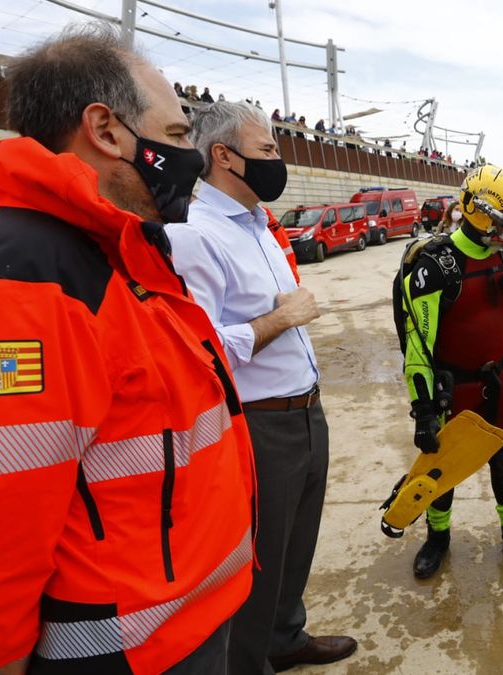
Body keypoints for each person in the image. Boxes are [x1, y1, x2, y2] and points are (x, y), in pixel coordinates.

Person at [0, 24, 256, 674]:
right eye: (177, 136)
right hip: (126, 652)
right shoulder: (25, 276)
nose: (194, 157)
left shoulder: (121, 248)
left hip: (185, 623)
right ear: (107, 130)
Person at [165, 101, 356, 673]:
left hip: (305, 412)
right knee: (258, 559)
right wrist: (280, 319)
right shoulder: (196, 236)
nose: (278, 161)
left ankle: (285, 636)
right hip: (258, 425)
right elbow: (198, 351)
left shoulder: (260, 229)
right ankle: (252, 660)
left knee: (296, 545)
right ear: (224, 156)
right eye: (267, 150)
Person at [401, 165, 503, 579]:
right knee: (442, 468)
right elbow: (418, 345)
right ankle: (438, 536)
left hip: (500, 383)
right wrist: (423, 410)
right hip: (450, 389)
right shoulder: (434, 266)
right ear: (481, 212)